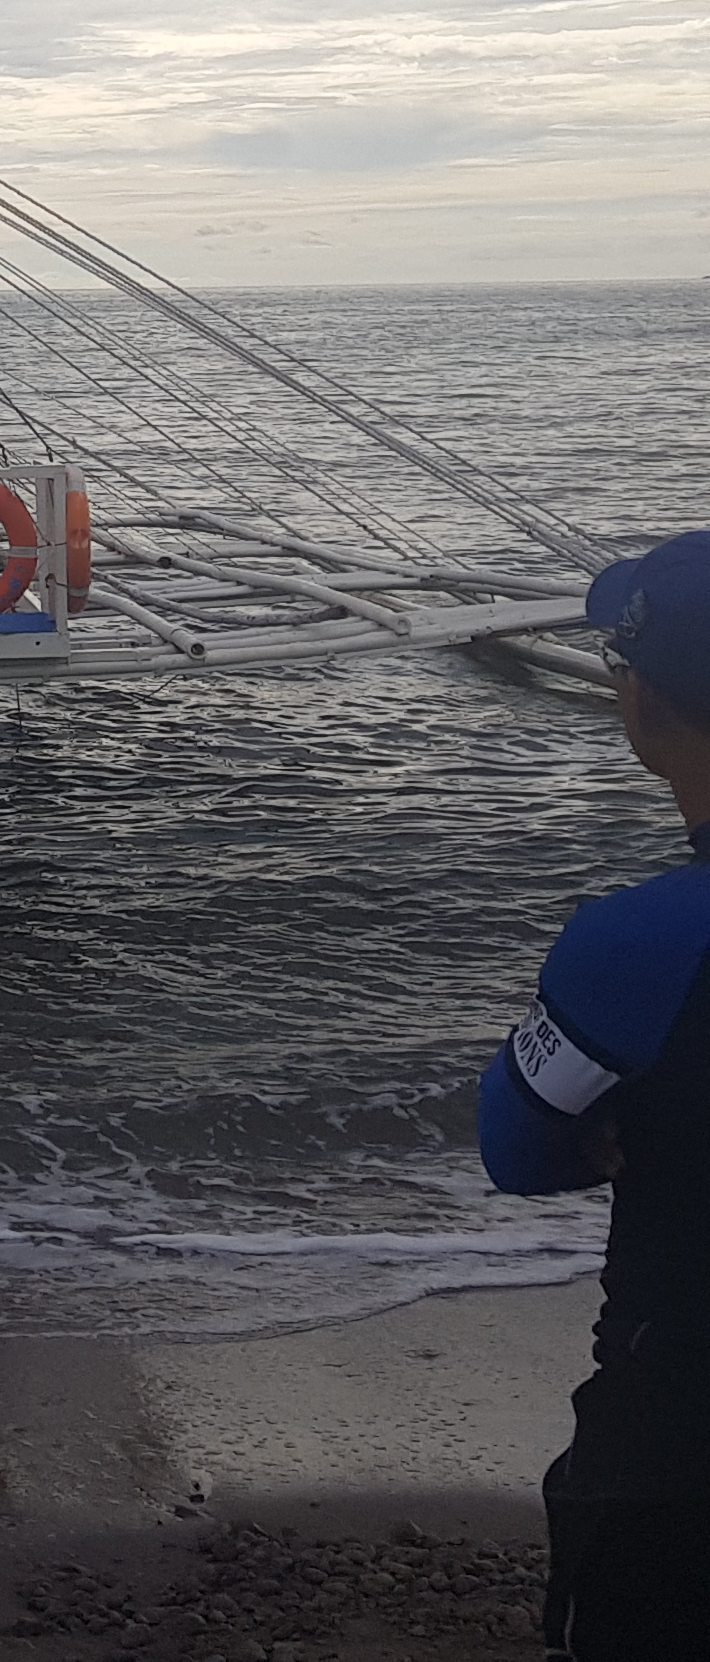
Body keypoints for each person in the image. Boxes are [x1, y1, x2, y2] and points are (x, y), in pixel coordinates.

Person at [479, 530, 710, 1659]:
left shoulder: (639, 945)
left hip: (680, 1430)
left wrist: (629, 1109)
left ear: (645, 706)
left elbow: (516, 1146)